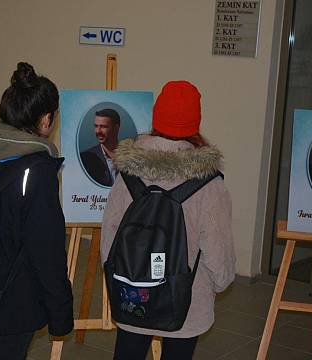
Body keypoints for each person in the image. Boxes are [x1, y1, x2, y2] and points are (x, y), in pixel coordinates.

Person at [101, 81, 236, 360]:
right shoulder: (209, 183)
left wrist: (121, 276)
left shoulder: (127, 172)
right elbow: (217, 254)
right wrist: (221, 282)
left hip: (133, 292)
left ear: (156, 119)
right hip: (185, 301)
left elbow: (109, 238)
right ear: (194, 123)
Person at [0, 62, 73, 359]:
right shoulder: (37, 171)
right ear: (46, 119)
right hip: (17, 295)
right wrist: (61, 311)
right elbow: (46, 248)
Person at [80, 108, 121, 186]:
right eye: (96, 126)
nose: (98, 131)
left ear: (116, 128)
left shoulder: (132, 157)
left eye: (103, 127)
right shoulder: (85, 159)